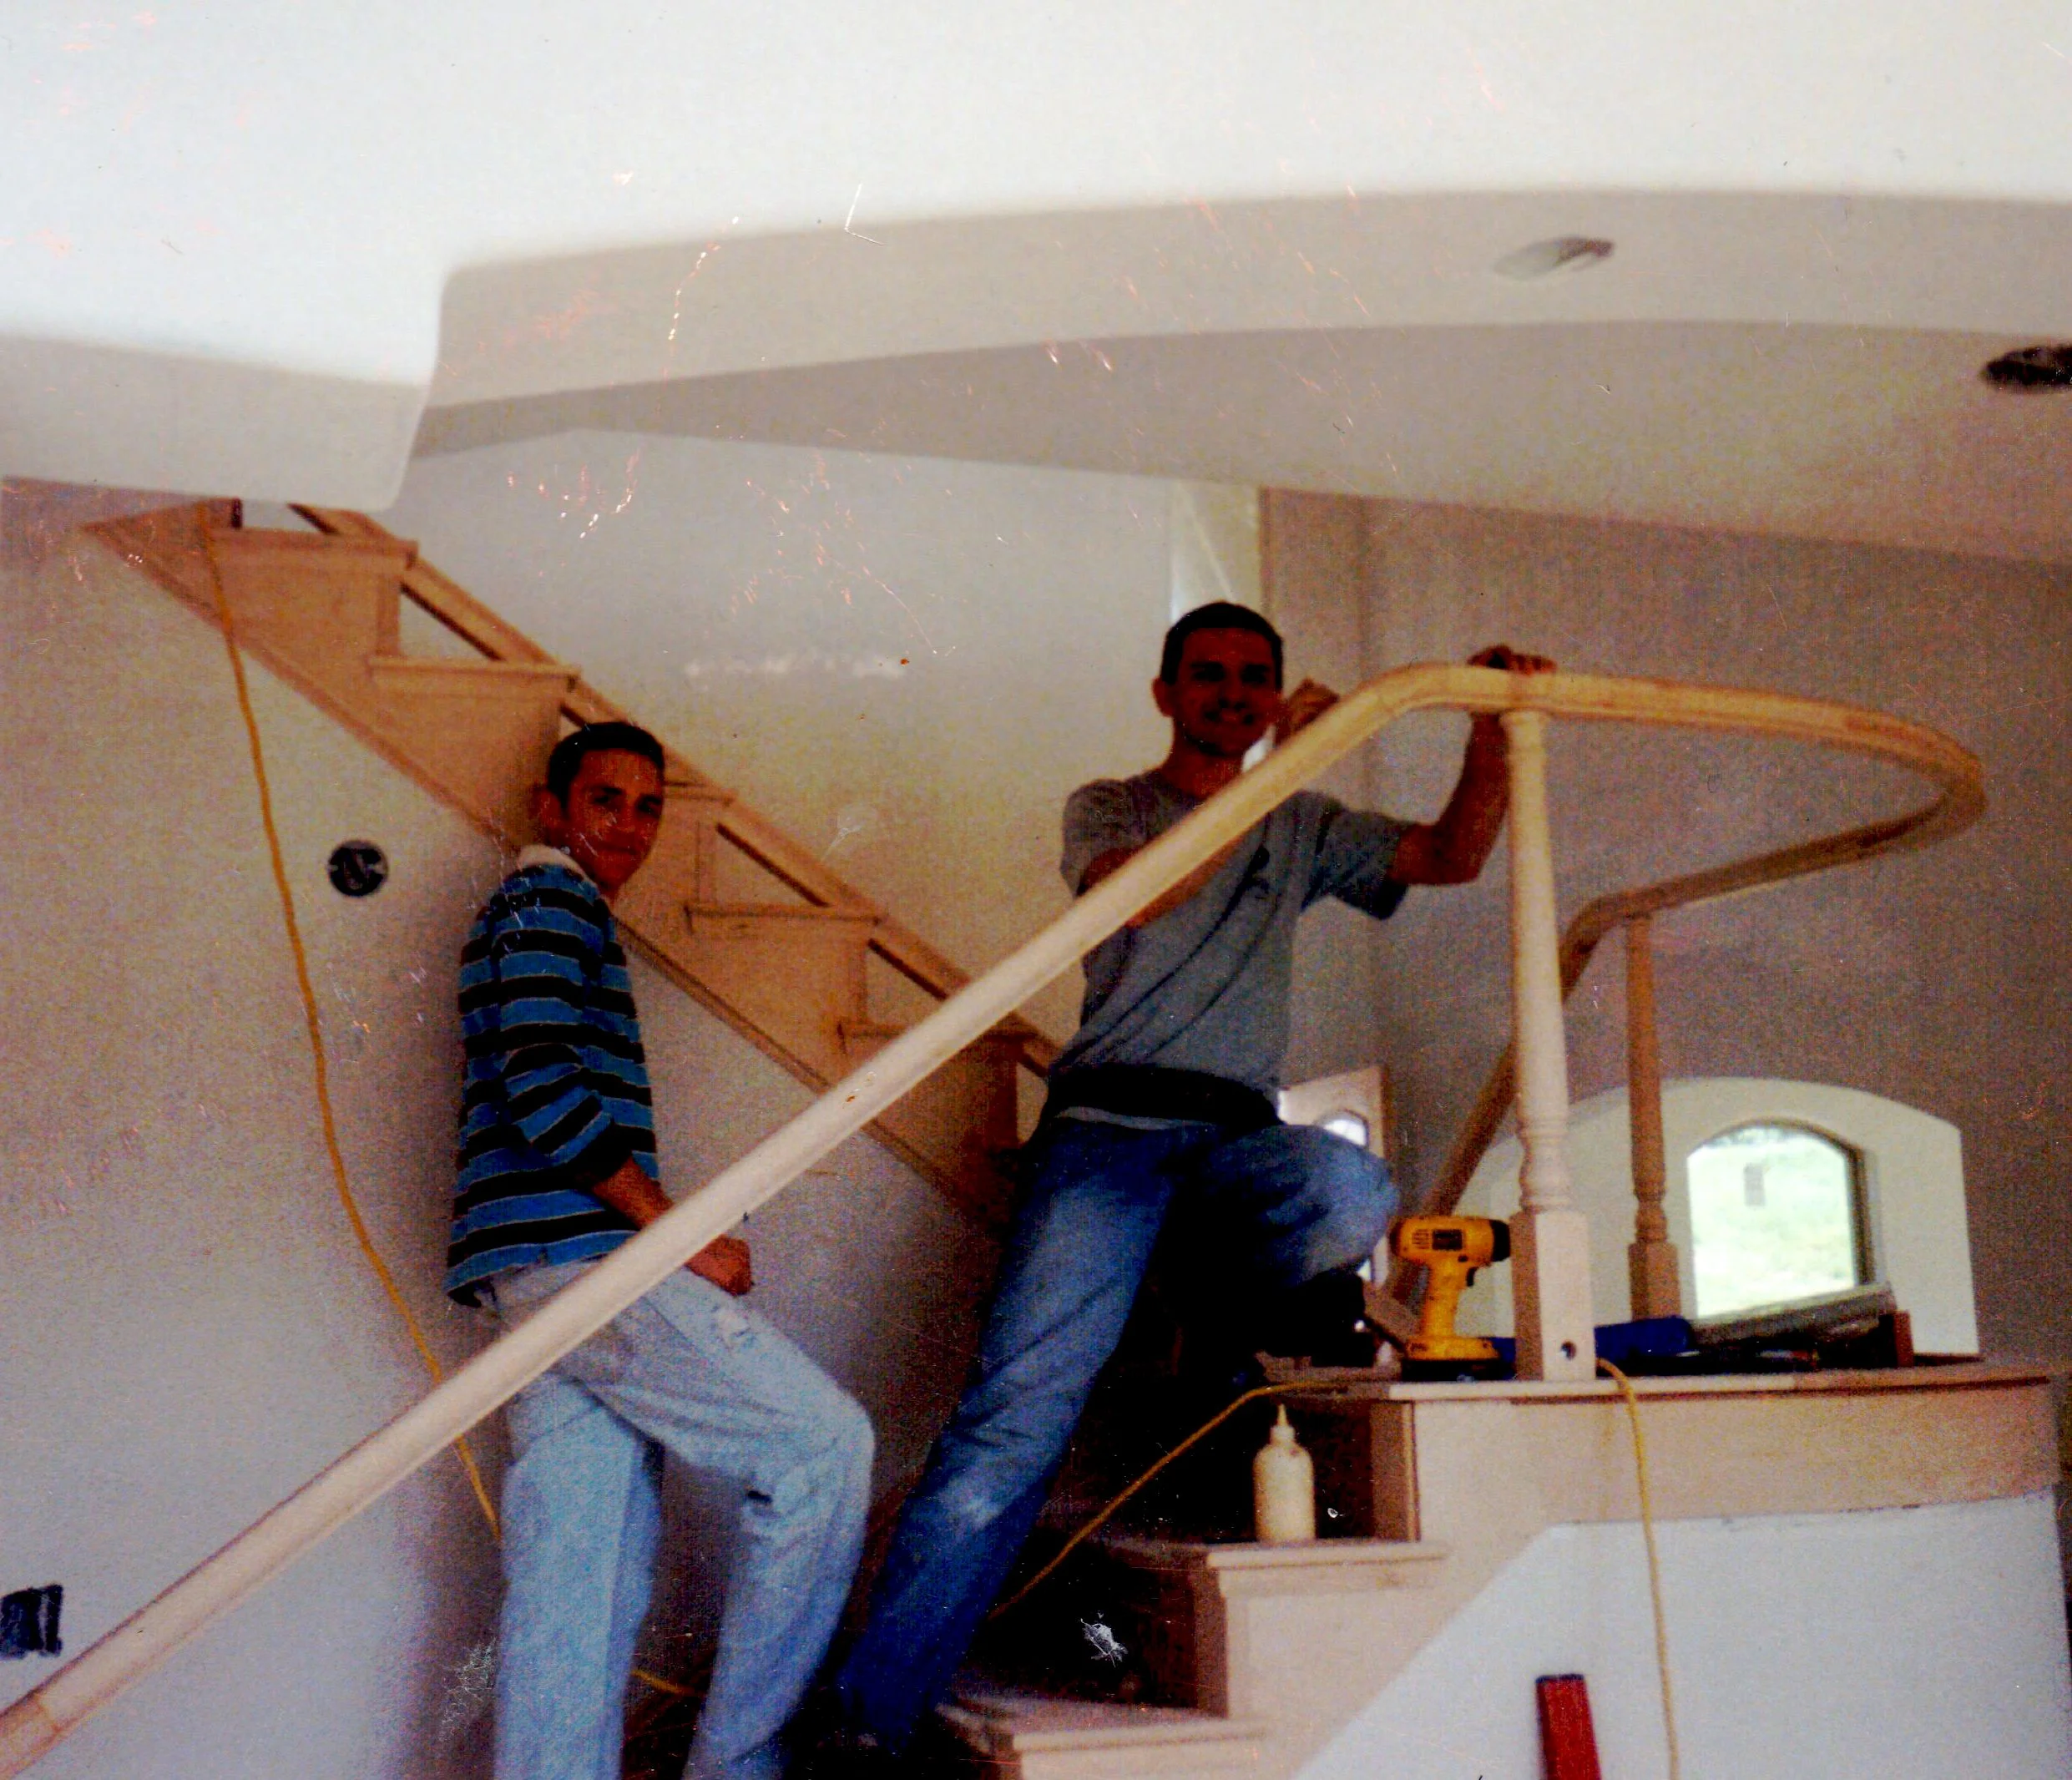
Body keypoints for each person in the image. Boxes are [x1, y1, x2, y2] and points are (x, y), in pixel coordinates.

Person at [822, 604, 1550, 1762]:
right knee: (1010, 1433)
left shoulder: (1301, 819)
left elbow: (1449, 859)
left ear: (1270, 692)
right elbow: (1140, 893)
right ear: (1164, 693)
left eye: (1253, 678)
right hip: (1107, 1135)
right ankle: (866, 1729)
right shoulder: (1109, 807)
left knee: (1352, 1193)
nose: (1231, 693)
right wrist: (1277, 771)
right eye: (1207, 677)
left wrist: (1488, 741)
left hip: (1228, 1147)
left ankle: (1199, 1309)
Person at [446, 721, 874, 1780]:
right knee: (823, 1446)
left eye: (647, 807)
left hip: (530, 1279)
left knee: (573, 1595)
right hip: (580, 1262)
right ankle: (736, 1765)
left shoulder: (534, 910)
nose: (627, 826)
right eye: (606, 800)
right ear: (553, 810)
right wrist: (678, 1231)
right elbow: (540, 1081)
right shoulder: (550, 899)